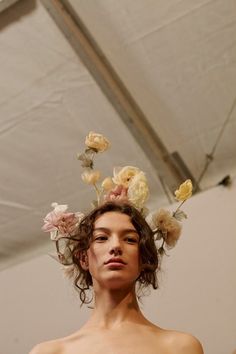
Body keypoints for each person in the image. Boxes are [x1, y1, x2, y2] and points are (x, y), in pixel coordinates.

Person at [29, 201, 204, 354]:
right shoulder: (50, 352)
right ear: (83, 258)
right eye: (101, 238)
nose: (115, 246)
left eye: (129, 239)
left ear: (143, 258)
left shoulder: (180, 348)